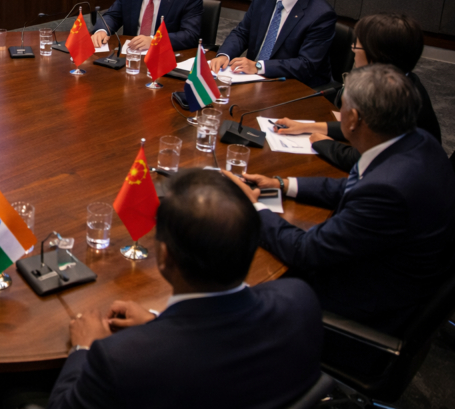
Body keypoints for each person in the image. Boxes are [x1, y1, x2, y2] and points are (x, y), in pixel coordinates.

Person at [49, 169, 322, 409]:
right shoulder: (300, 300)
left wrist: (84, 349)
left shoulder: (122, 360)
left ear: (164, 256)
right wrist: (158, 323)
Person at [228, 64, 455, 335]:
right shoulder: (414, 140)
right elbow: (353, 187)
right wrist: (283, 184)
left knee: (235, 282)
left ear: (352, 119)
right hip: (389, 265)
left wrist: (253, 208)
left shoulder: (388, 190)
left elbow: (306, 251)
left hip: (367, 305)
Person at [272, 13, 441, 172]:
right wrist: (306, 126)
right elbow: (360, 124)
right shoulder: (401, 81)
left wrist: (323, 143)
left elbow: (360, 161)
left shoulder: (396, 100)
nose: (353, 49)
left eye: (357, 45)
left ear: (375, 54)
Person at [209, 0, 336, 87]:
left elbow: (305, 64)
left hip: (291, 86)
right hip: (250, 80)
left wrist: (258, 67)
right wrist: (224, 54)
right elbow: (242, 32)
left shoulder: (320, 15)